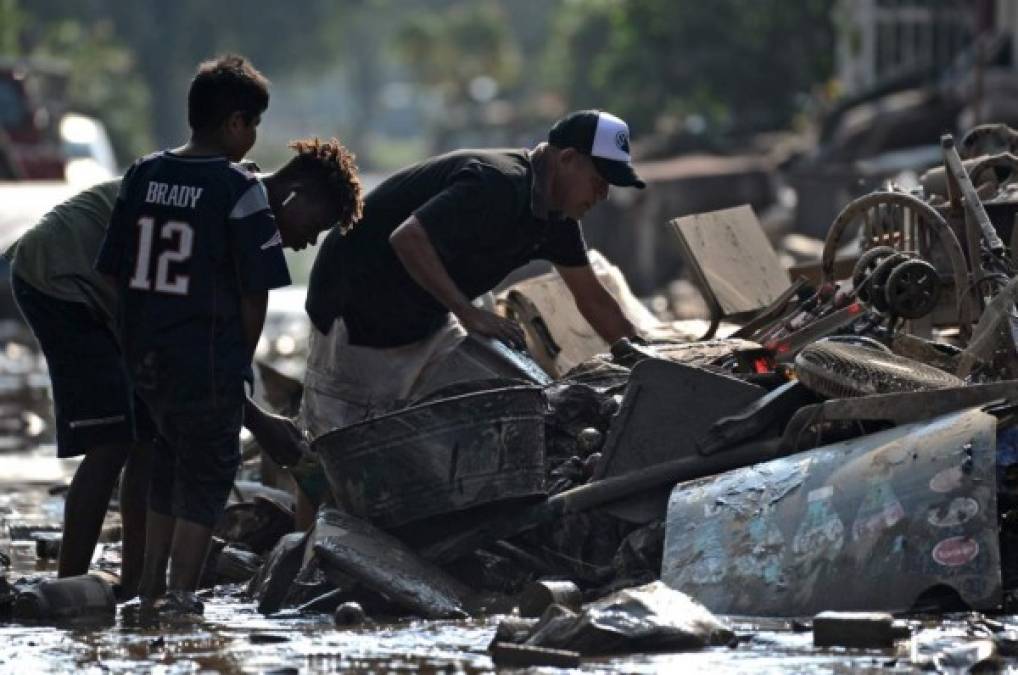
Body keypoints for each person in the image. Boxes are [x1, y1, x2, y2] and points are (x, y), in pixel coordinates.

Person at [95, 54, 359, 614]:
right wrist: (239, 364)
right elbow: (254, 294)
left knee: (163, 467)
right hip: (207, 358)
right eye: (254, 125)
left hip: (145, 358)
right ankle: (183, 592)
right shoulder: (238, 189)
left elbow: (113, 273)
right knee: (208, 474)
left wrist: (132, 338)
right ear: (235, 124)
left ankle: (147, 590)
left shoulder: (144, 173)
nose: (255, 138)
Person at [300, 109, 646, 437]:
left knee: (514, 401)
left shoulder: (558, 220)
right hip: (356, 303)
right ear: (567, 159)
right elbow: (408, 239)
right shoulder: (496, 184)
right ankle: (303, 500)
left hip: (429, 313)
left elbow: (593, 299)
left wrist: (648, 361)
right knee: (339, 438)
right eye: (599, 181)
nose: (602, 195)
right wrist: (468, 313)